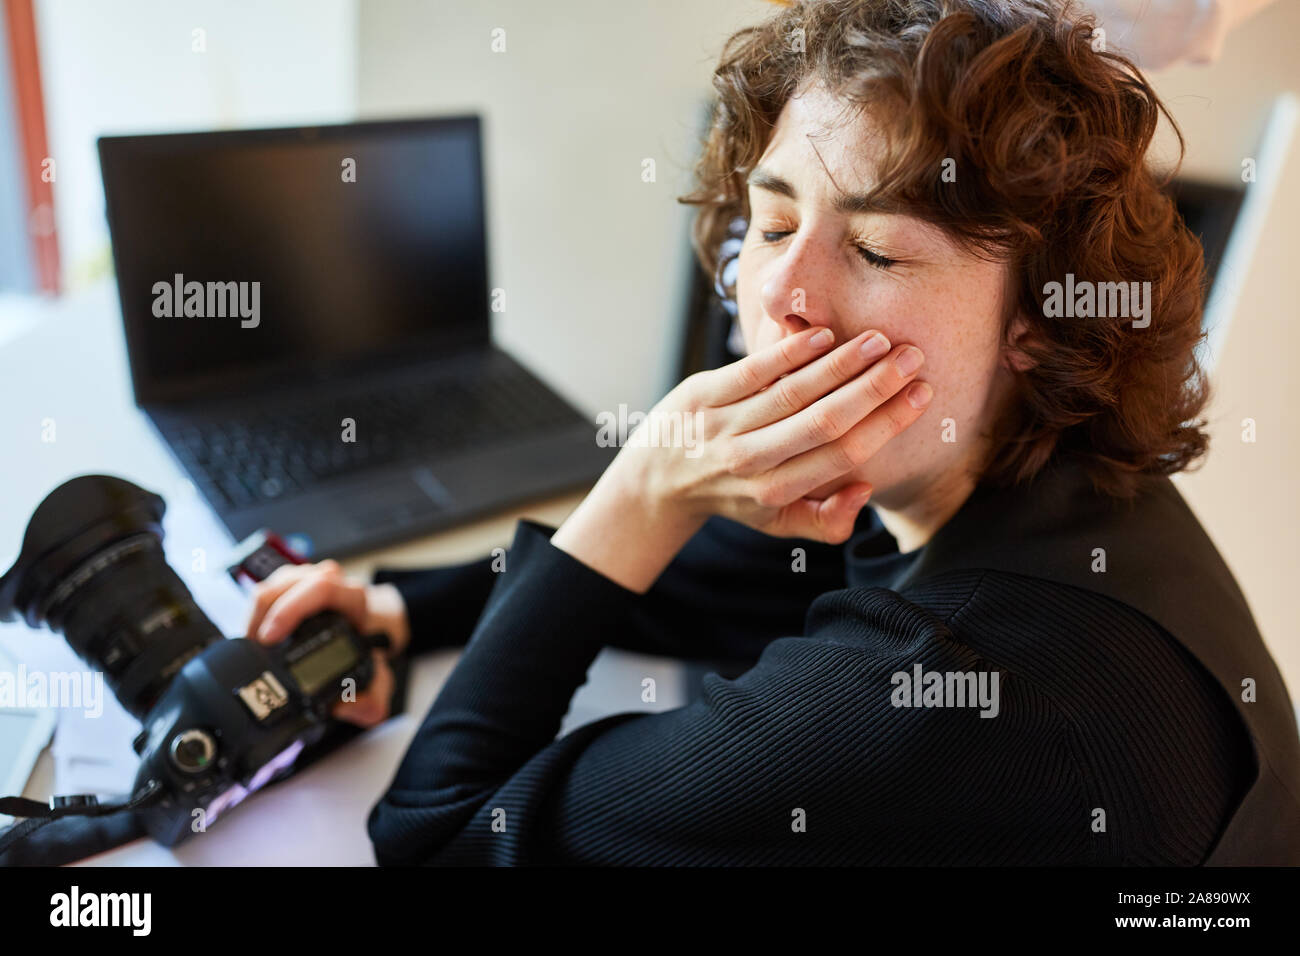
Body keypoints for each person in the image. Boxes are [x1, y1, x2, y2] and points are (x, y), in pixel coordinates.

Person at [246, 0, 1300, 865]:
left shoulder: (935, 690)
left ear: (1035, 324)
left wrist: (643, 486)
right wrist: (401, 607)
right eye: (776, 221)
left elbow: (436, 838)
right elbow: (744, 575)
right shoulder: (1040, 478)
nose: (782, 293)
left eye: (879, 251)